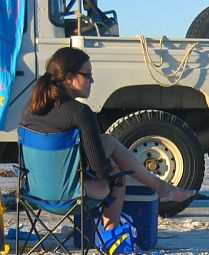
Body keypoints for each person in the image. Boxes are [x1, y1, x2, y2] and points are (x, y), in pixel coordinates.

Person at [20, 47, 196, 231]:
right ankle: (111, 233)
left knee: (107, 141)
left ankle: (162, 188)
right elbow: (100, 170)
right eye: (87, 75)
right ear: (70, 78)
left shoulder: (31, 107)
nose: (92, 80)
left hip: (35, 192)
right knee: (117, 178)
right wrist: (110, 166)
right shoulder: (80, 113)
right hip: (69, 196)